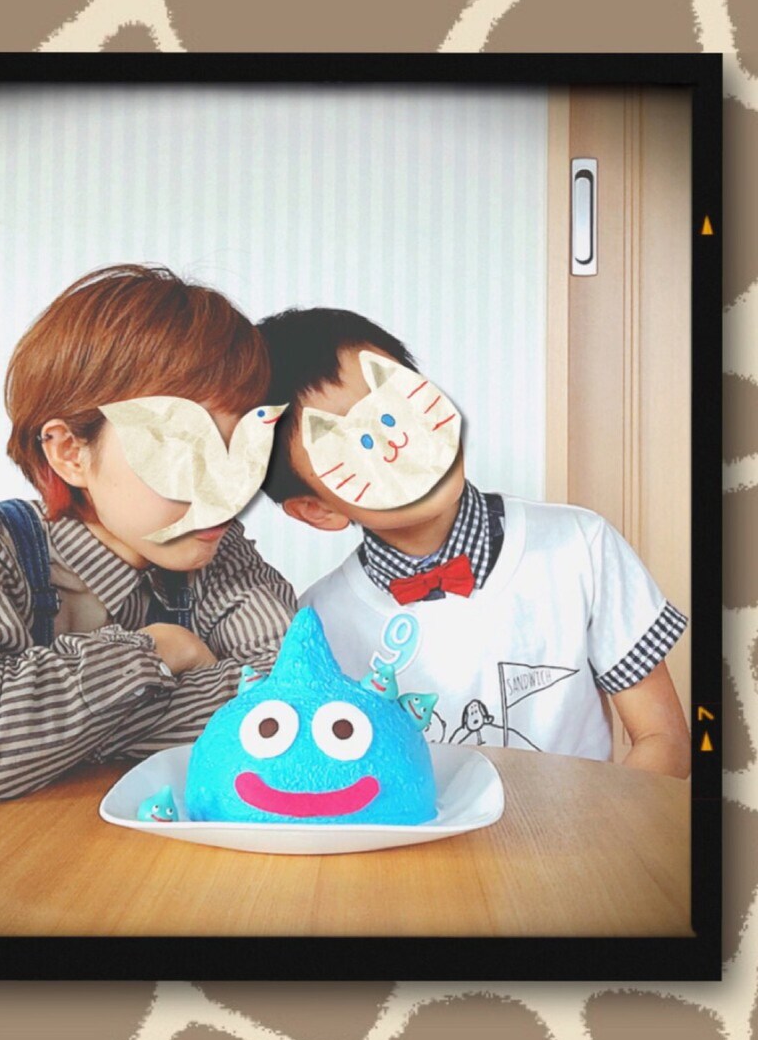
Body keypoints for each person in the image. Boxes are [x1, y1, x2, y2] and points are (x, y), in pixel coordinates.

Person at [0, 265, 296, 822]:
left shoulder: (217, 553)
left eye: (243, 448)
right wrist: (160, 649)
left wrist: (45, 739)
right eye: (185, 450)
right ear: (69, 452)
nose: (226, 492)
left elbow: (294, 701)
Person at [258, 307, 690, 778]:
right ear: (317, 509)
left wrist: (592, 825)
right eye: (351, 444)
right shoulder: (317, 624)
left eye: (398, 401)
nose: (397, 440)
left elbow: (664, 740)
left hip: (580, 826)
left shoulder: (581, 546)